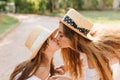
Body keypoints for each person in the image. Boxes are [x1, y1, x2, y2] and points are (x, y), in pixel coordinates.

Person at [50, 8, 120, 80]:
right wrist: (69, 66)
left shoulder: (92, 54)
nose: (56, 38)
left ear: (73, 38)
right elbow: (84, 59)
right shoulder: (85, 47)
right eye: (58, 32)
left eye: (61, 35)